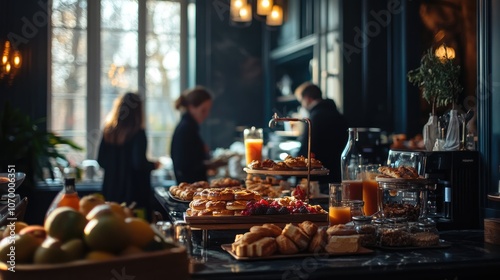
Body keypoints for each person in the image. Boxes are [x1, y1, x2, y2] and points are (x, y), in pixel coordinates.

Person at [97, 92, 159, 221]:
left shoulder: (108, 131)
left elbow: (101, 161)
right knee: (136, 232)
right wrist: (154, 165)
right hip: (134, 195)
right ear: (139, 111)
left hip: (111, 191)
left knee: (113, 229)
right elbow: (138, 163)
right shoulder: (138, 134)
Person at [294, 82, 349, 185]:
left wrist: (292, 174)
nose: (302, 105)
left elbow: (306, 148)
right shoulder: (338, 115)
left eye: (301, 101)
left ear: (307, 98)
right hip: (338, 173)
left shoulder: (314, 118)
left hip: (318, 177)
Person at [170, 86, 226, 184]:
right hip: (191, 186)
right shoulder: (186, 128)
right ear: (191, 108)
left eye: (208, 110)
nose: (206, 114)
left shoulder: (188, 126)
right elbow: (184, 165)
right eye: (203, 110)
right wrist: (210, 164)